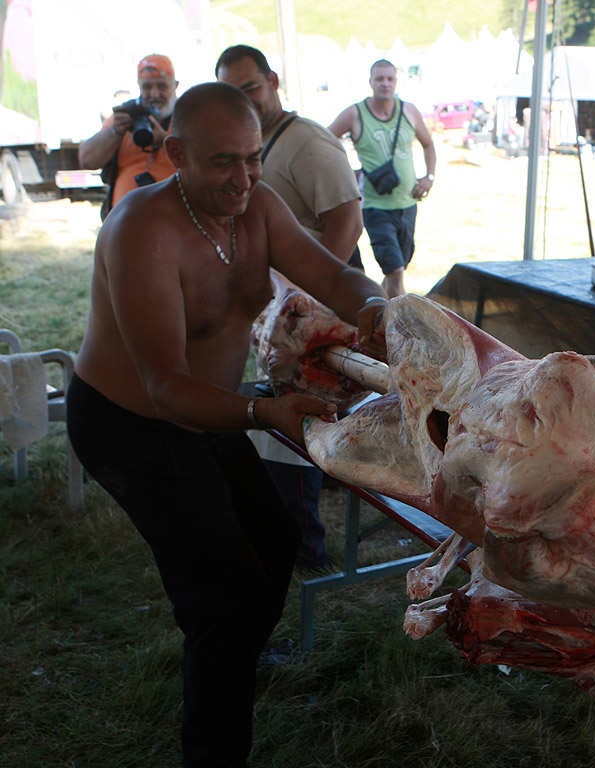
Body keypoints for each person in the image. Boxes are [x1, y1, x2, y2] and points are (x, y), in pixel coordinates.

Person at [65, 82, 389, 768]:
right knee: (223, 593)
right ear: (177, 153)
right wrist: (264, 411)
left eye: (252, 159)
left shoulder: (258, 209)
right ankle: (216, 740)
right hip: (130, 422)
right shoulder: (140, 231)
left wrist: (382, 311)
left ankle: (233, 659)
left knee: (271, 541)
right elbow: (164, 386)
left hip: (209, 408)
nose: (243, 178)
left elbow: (335, 277)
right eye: (223, 163)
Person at [215, 43, 365, 570]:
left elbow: (347, 221)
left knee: (296, 428)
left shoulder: (307, 144)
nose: (244, 100)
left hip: (313, 315)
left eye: (250, 88)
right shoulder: (255, 143)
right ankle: (287, 536)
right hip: (283, 314)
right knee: (284, 431)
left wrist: (306, 310)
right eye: (232, 92)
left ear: (273, 81)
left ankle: (305, 552)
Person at [328, 59, 437, 298]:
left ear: (396, 81)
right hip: (375, 207)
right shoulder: (356, 113)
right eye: (379, 79)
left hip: (407, 204)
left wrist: (428, 177)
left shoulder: (408, 110)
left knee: (398, 269)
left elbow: (428, 144)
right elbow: (324, 140)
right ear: (370, 82)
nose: (385, 84)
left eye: (390, 79)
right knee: (395, 271)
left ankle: (375, 308)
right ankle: (401, 327)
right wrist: (348, 172)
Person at [79, 54, 179, 218]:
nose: (154, 94)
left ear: (175, 85)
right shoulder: (126, 117)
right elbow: (87, 160)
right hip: (123, 224)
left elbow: (206, 159)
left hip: (175, 226)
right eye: (147, 87)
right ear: (138, 86)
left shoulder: (187, 117)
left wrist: (165, 141)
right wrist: (116, 132)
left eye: (162, 86)